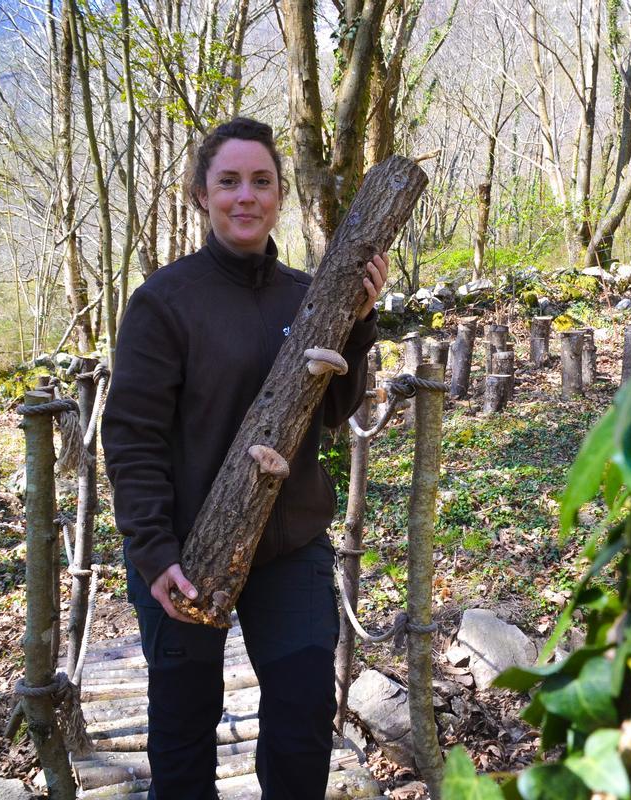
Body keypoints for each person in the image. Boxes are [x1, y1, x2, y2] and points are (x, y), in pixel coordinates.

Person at [101, 116, 387, 800]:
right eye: (228, 181)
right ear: (200, 194)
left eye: (261, 181)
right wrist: (153, 551)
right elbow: (131, 436)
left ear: (280, 195)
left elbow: (331, 411)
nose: (245, 196)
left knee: (302, 720)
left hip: (289, 549)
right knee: (183, 727)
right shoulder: (164, 303)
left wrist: (361, 321)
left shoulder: (306, 295)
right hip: (188, 555)